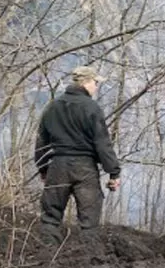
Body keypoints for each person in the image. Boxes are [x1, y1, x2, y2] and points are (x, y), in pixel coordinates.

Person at [34, 65, 121, 244]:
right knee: (89, 221)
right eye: (96, 82)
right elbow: (102, 142)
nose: (97, 87)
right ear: (86, 82)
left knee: (50, 218)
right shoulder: (91, 108)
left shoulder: (53, 107)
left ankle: (47, 258)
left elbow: (42, 141)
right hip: (85, 169)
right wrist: (114, 172)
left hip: (58, 166)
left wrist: (43, 169)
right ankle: (88, 259)